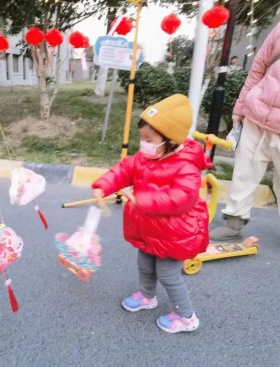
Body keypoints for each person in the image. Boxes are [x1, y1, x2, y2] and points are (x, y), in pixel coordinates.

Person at [92, 94, 210, 334]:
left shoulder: (186, 165)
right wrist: (104, 184)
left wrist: (141, 199)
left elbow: (182, 197)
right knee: (145, 264)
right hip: (149, 228)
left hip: (175, 232)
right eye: (142, 139)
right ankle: (147, 297)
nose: (143, 144)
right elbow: (123, 169)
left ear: (172, 141)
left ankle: (186, 316)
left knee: (168, 274)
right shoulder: (146, 157)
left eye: (149, 139)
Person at [210, 23, 280, 241]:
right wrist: (240, 108)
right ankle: (234, 222)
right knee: (244, 170)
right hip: (256, 115)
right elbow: (258, 67)